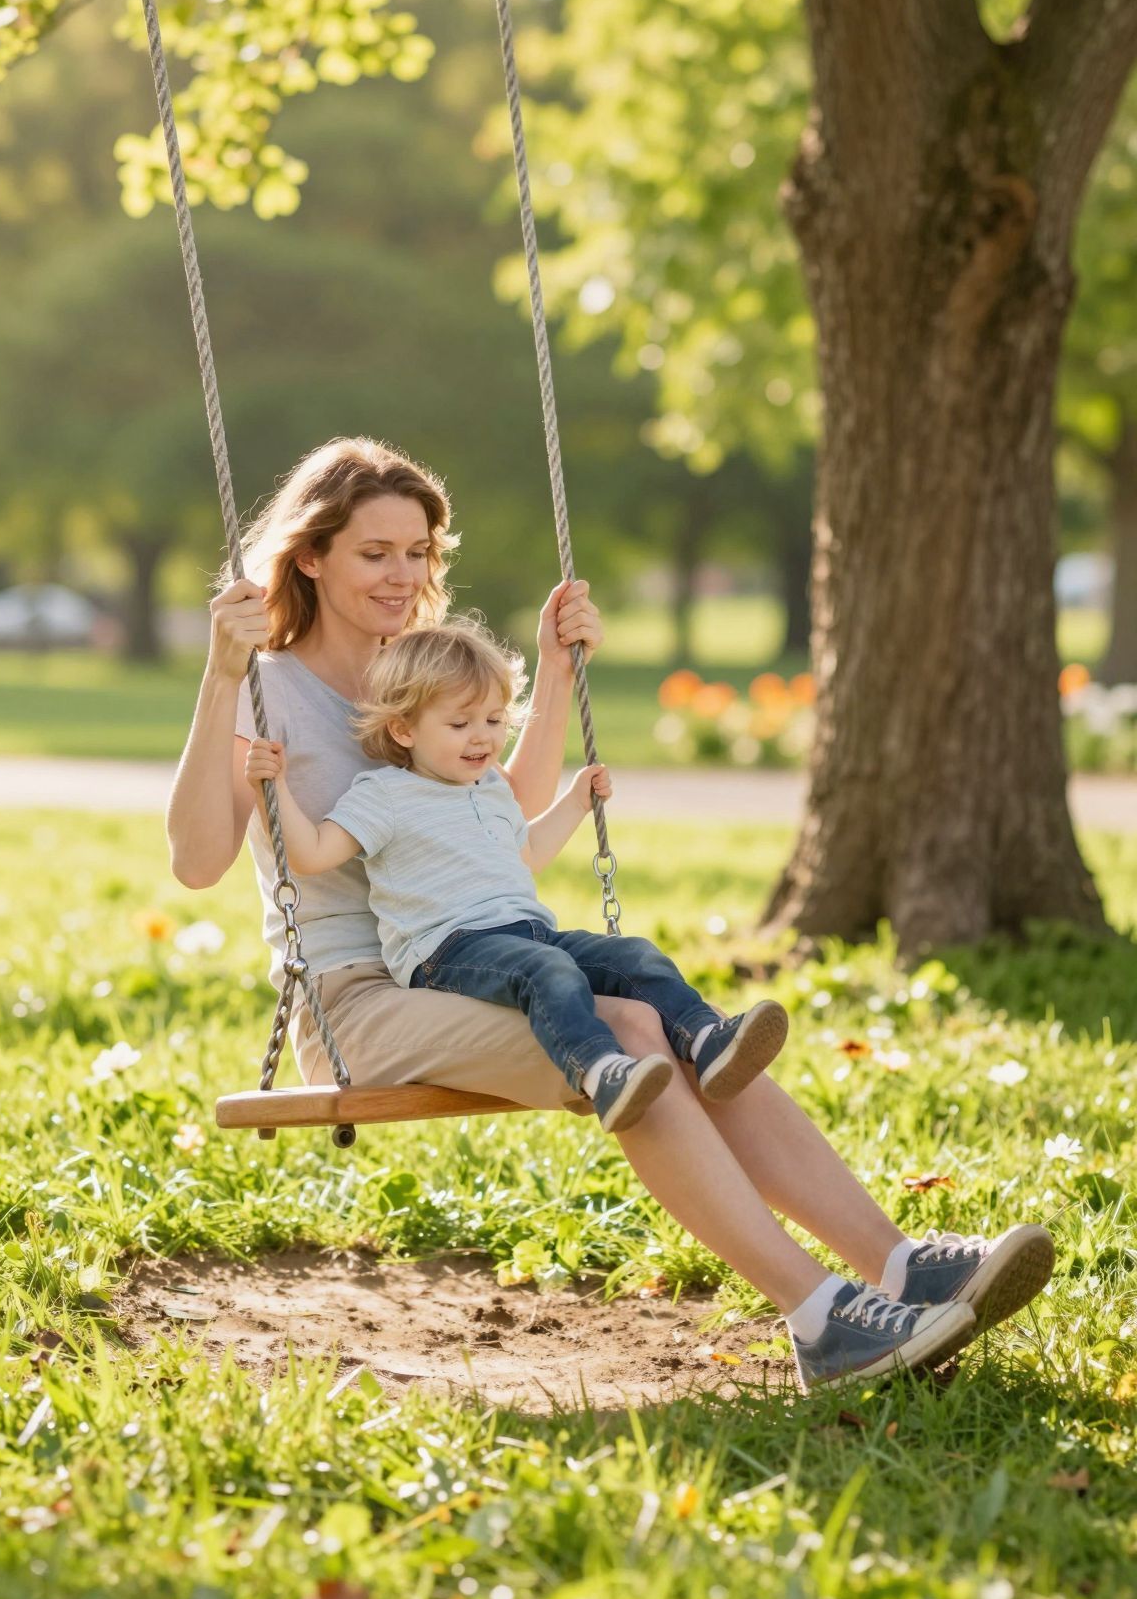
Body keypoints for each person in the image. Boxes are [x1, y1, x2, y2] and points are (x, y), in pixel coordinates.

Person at [168, 435, 1055, 1392]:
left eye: (418, 551)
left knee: (670, 1024)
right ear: (310, 556)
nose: (403, 575)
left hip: (482, 958)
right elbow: (196, 862)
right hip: (358, 1005)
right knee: (627, 1028)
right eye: (374, 553)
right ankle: (821, 1317)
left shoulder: (419, 669)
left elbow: (495, 816)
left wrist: (554, 670)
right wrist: (221, 676)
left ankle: (897, 1266)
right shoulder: (266, 686)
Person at [243, 618, 792, 1135]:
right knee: (548, 970)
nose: (481, 738)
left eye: (493, 720)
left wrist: (575, 804)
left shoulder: (489, 788)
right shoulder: (383, 795)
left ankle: (705, 1040)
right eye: (459, 724)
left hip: (527, 933)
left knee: (633, 956)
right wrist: (277, 789)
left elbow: (525, 854)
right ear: (404, 729)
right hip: (446, 950)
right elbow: (311, 854)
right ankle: (601, 1071)